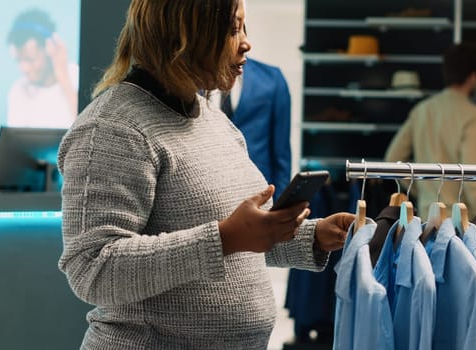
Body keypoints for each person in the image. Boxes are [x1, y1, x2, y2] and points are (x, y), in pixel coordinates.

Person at [56, 1, 354, 349]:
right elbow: (92, 270)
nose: (246, 43)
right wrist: (225, 237)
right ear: (186, 33)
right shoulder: (111, 128)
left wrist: (313, 236)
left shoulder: (214, 122)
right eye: (232, 29)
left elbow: (241, 243)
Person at [384, 42, 476, 220]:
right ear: (473, 76)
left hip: (426, 216)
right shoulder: (475, 116)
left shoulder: (422, 110)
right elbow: (474, 180)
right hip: (460, 221)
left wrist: (422, 189)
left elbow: (393, 159)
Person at [216, 58, 292, 201]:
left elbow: (282, 153)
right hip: (210, 192)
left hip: (258, 191)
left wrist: (280, 206)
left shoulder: (271, 78)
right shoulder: (193, 76)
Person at [7, 8, 78, 128]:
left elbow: (86, 129)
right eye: (19, 60)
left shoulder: (77, 76)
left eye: (30, 59)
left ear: (50, 47)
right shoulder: (18, 90)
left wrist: (63, 77)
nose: (24, 69)